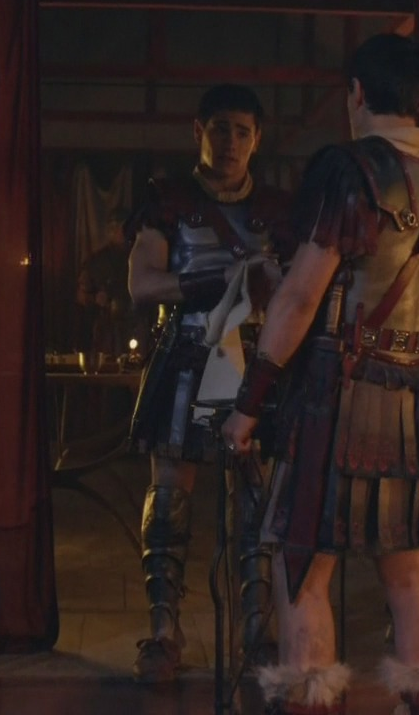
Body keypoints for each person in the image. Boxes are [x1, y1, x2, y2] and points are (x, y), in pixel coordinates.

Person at [221, 34, 419, 715]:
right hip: (407, 397)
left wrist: (249, 403)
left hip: (332, 395)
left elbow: (301, 298)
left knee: (302, 568)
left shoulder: (348, 169)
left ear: (358, 93)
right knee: (408, 572)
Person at [124, 83, 293, 684]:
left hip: (256, 362)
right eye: (220, 128)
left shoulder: (276, 210)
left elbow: (293, 292)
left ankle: (258, 633)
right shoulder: (166, 201)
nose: (230, 142)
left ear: (257, 139)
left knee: (256, 505)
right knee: (169, 502)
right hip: (184, 357)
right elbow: (142, 285)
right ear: (198, 131)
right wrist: (217, 282)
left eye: (242, 131)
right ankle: (163, 633)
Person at [75, 209, 136, 356]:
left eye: (120, 226)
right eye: (112, 227)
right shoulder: (95, 261)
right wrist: (94, 298)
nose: (116, 231)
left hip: (134, 325)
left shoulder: (138, 258)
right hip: (106, 330)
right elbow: (81, 296)